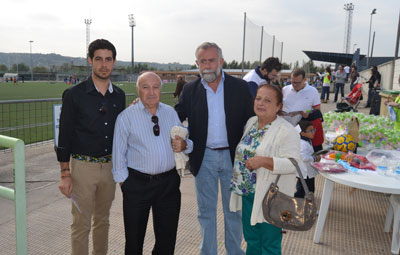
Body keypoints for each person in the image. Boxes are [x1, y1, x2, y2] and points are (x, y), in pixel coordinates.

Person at [175, 42, 254, 255]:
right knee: (206, 212)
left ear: (221, 61)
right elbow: (175, 116)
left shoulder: (240, 87)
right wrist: (146, 105)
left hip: (233, 158)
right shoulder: (190, 90)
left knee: (234, 211)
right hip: (204, 157)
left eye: (211, 60)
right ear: (197, 64)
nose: (207, 65)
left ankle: (234, 251)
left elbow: (252, 121)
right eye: (203, 61)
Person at [56, 39, 126, 255]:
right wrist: (65, 173)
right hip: (82, 169)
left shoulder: (119, 96)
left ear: (114, 62)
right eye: (98, 59)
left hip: (109, 168)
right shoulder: (74, 95)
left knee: (102, 222)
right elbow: (64, 136)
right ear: (90, 61)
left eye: (108, 59)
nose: (104, 65)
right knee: (81, 225)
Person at [112, 72, 193, 254]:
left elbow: (185, 141)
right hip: (137, 185)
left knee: (167, 240)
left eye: (155, 87)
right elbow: (118, 155)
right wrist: (126, 184)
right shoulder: (126, 117)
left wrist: (185, 144)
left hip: (168, 185)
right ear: (137, 90)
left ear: (161, 89)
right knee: (134, 240)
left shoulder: (170, 113)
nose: (151, 92)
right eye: (145, 87)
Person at [230, 84, 301, 255]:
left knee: (269, 243)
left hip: (271, 197)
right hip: (247, 193)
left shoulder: (286, 131)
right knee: (252, 240)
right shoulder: (251, 122)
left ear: (278, 106)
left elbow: (294, 164)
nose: (261, 103)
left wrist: (264, 161)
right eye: (258, 98)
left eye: (267, 100)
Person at [282, 68, 324, 152]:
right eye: (293, 82)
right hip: (286, 129)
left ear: (305, 80)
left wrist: (308, 115)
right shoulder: (285, 90)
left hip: (302, 130)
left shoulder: (313, 91)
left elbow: (318, 112)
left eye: (297, 83)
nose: (295, 85)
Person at [294, 120, 321, 198]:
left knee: (303, 187)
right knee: (306, 190)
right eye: (310, 131)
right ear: (302, 133)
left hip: (306, 172)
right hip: (305, 172)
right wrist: (314, 158)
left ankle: (303, 201)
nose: (313, 132)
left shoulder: (306, 140)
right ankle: (298, 202)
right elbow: (303, 157)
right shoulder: (302, 143)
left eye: (313, 130)